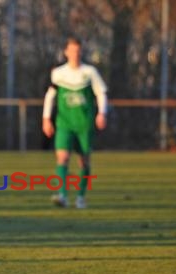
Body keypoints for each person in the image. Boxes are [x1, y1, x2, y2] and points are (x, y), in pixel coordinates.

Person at [42, 37, 108, 209]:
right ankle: (62, 195)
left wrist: (102, 113)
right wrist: (46, 119)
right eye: (72, 51)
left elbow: (101, 93)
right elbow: (50, 96)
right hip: (64, 124)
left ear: (81, 52)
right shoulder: (58, 73)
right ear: (66, 52)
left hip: (84, 124)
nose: (75, 54)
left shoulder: (90, 72)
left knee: (84, 162)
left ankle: (80, 197)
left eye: (78, 51)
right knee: (62, 158)